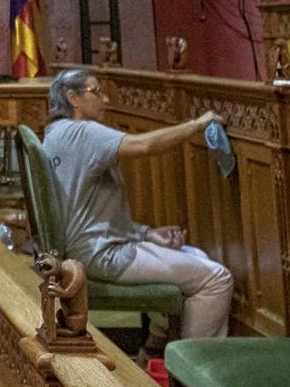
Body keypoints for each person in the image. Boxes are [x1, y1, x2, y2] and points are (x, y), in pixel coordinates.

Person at [41, 67, 231, 340]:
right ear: (73, 98)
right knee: (217, 279)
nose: (105, 100)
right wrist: (197, 124)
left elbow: (86, 209)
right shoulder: (83, 132)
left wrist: (146, 234)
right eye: (97, 92)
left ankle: (156, 345)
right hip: (100, 255)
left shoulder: (55, 132)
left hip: (83, 249)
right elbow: (144, 146)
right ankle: (193, 372)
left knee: (198, 257)